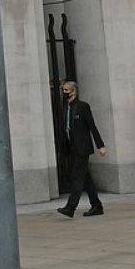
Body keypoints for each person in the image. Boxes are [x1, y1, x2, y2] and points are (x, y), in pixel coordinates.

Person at [56, 80, 107, 218]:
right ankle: (96, 206)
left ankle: (70, 207)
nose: (64, 93)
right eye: (63, 90)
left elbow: (92, 126)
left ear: (73, 91)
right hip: (71, 148)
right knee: (85, 178)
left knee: (77, 177)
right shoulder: (66, 107)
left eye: (66, 90)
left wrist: (100, 145)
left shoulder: (83, 106)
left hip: (82, 148)